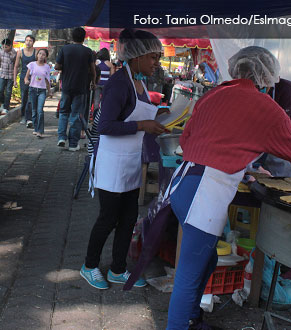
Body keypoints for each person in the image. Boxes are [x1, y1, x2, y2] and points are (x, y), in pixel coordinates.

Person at [166, 46, 291, 330]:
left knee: (208, 259)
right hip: (205, 196)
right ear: (266, 77)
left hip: (183, 184)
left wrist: (241, 168)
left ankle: (192, 320)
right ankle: (180, 324)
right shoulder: (265, 105)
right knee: (189, 277)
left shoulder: (215, 94)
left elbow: (192, 139)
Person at [81, 29, 169, 290]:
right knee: (108, 218)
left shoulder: (139, 81)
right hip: (112, 163)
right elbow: (106, 126)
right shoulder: (119, 83)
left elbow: (133, 113)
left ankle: (118, 268)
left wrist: (161, 113)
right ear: (137, 56)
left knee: (129, 217)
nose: (156, 62)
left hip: (130, 161)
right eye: (153, 57)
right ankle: (89, 265)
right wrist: (143, 124)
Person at [55, 27, 96, 151]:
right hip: (81, 87)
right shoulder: (88, 52)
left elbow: (57, 66)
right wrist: (93, 82)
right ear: (84, 37)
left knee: (63, 112)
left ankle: (61, 137)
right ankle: (73, 144)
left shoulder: (64, 49)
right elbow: (93, 70)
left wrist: (66, 66)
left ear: (72, 37)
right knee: (76, 115)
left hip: (66, 86)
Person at [24, 49, 52, 138]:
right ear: (37, 55)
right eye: (39, 54)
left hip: (42, 91)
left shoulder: (47, 67)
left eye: (43, 54)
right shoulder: (32, 65)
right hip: (32, 89)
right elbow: (26, 77)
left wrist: (50, 91)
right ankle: (36, 129)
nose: (41, 56)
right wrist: (26, 81)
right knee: (34, 111)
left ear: (46, 57)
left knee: (40, 110)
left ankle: (40, 131)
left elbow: (47, 80)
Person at [13, 34, 36, 127]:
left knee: (31, 99)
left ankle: (29, 118)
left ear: (33, 42)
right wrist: (14, 80)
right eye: (26, 40)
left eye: (30, 40)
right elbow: (16, 66)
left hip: (33, 78)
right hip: (23, 77)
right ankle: (23, 116)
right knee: (24, 98)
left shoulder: (36, 52)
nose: (28, 42)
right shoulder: (20, 52)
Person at [0, 38, 17, 115]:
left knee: (8, 92)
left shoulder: (14, 53)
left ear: (10, 46)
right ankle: (2, 103)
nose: (4, 49)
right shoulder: (1, 53)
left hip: (10, 76)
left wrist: (15, 78)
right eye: (3, 47)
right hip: (3, 74)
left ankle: (6, 107)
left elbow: (16, 65)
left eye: (6, 47)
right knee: (0, 91)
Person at [93, 48, 115, 114]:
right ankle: (102, 115)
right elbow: (112, 76)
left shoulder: (95, 62)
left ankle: (95, 117)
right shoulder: (110, 64)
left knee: (96, 100)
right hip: (106, 85)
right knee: (104, 101)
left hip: (97, 83)